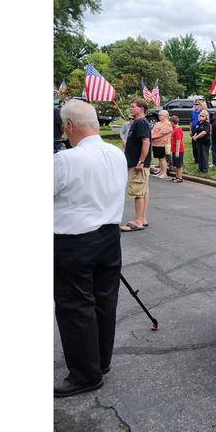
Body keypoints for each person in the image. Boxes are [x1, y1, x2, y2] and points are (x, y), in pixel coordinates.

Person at [53, 99, 127, 397]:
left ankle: (86, 373)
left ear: (69, 126)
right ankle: (100, 360)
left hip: (75, 241)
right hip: (109, 235)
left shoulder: (66, 160)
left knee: (75, 306)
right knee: (103, 301)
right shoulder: (116, 154)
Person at [121, 99, 151, 232]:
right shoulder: (138, 122)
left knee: (138, 192)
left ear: (141, 109)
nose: (130, 109)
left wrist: (141, 161)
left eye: (133, 107)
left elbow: (146, 142)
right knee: (143, 191)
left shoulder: (141, 122)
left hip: (138, 164)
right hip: (137, 163)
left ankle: (138, 221)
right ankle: (142, 219)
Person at [150, 110, 172, 178]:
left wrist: (152, 136)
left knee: (162, 158)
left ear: (166, 116)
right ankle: (161, 172)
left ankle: (164, 173)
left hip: (163, 144)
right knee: (159, 159)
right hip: (155, 143)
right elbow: (153, 131)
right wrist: (151, 135)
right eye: (159, 115)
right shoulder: (158, 123)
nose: (159, 116)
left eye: (161, 115)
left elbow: (161, 133)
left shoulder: (168, 123)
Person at [168, 115, 185, 183]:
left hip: (179, 150)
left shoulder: (178, 129)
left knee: (179, 164)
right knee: (176, 164)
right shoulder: (174, 128)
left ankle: (180, 178)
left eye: (170, 122)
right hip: (174, 149)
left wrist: (177, 151)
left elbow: (178, 141)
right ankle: (177, 176)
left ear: (172, 122)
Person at [190, 99, 204, 163]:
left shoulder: (202, 112)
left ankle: (200, 159)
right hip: (193, 130)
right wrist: (190, 130)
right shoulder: (192, 112)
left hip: (199, 130)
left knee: (199, 145)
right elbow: (191, 122)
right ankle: (196, 160)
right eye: (194, 104)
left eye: (197, 104)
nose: (195, 105)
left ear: (200, 105)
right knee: (194, 146)